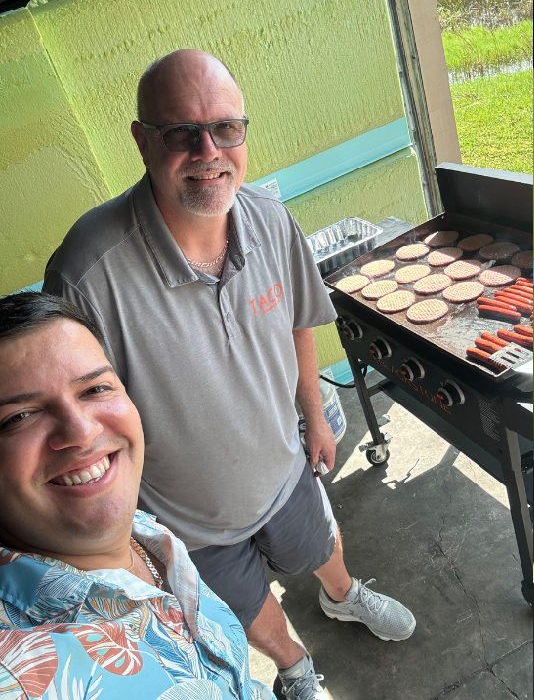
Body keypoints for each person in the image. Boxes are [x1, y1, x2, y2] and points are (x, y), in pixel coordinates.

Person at [43, 49, 415, 699]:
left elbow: (301, 320)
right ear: (142, 140)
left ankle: (344, 595)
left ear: (244, 132)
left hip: (283, 467)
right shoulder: (87, 272)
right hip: (183, 519)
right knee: (244, 606)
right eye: (181, 132)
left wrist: (313, 417)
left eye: (226, 128)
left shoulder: (270, 222)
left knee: (320, 547)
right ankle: (295, 666)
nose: (208, 150)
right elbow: (70, 418)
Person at [0, 291, 272, 700]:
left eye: (94, 389)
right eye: (18, 417)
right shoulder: (22, 674)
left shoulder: (145, 534)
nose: (82, 432)